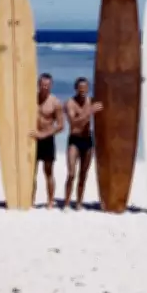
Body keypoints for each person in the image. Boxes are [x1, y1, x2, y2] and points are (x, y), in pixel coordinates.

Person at [62, 77, 103, 210]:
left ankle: (79, 203)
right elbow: (73, 123)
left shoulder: (91, 101)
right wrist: (88, 112)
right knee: (71, 173)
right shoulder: (69, 103)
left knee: (83, 175)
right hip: (74, 140)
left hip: (88, 140)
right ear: (76, 89)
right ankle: (67, 203)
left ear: (88, 89)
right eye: (80, 89)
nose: (82, 91)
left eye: (85, 88)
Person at [30, 73, 64, 209]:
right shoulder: (31, 99)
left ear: (51, 86)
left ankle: (50, 201)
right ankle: (30, 199)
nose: (44, 87)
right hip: (32, 138)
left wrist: (43, 135)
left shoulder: (55, 102)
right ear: (38, 84)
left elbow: (61, 126)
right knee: (31, 172)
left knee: (48, 172)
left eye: (47, 85)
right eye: (42, 84)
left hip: (47, 139)